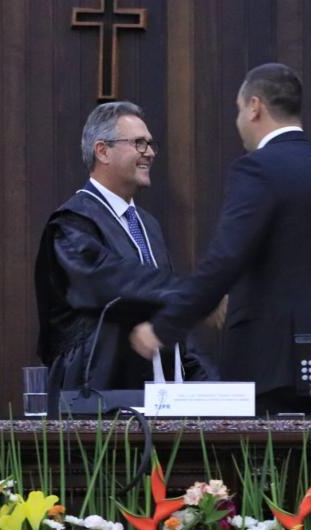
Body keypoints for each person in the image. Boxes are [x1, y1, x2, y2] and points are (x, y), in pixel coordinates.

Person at [130, 63, 311, 415]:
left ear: (254, 106)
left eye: (239, 109)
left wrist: (164, 326)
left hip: (273, 364)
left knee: (271, 470)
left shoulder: (257, 168)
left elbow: (226, 258)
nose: (239, 120)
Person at [34, 101, 214, 408]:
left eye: (150, 143)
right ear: (102, 151)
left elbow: (164, 312)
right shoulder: (70, 224)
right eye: (139, 143)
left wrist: (209, 388)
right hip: (99, 405)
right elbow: (109, 282)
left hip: (163, 402)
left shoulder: (147, 225)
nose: (150, 152)